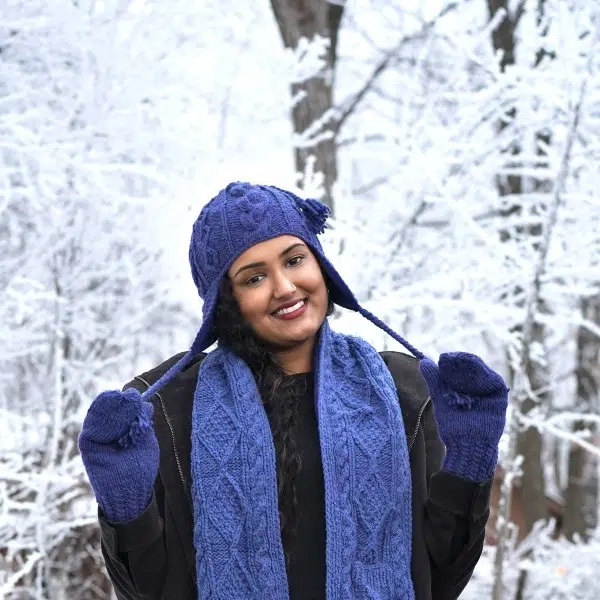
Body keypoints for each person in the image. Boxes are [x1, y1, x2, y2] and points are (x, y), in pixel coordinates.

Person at [78, 182, 509, 600]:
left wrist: (469, 463)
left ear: (320, 263)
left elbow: (440, 579)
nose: (285, 287)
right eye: (254, 278)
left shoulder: (405, 391)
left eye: (294, 259)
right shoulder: (168, 411)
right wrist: (126, 507)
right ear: (224, 301)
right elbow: (147, 591)